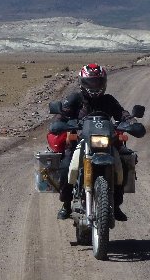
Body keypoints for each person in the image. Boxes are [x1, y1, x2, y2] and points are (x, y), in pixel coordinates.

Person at [53, 63, 133, 222]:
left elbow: (122, 113)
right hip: (80, 141)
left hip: (105, 142)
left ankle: (116, 205)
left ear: (104, 82)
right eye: (91, 82)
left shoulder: (108, 100)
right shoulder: (75, 99)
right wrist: (59, 122)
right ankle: (67, 205)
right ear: (83, 82)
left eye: (98, 82)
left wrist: (131, 121)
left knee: (123, 164)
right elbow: (62, 114)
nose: (95, 86)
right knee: (66, 165)